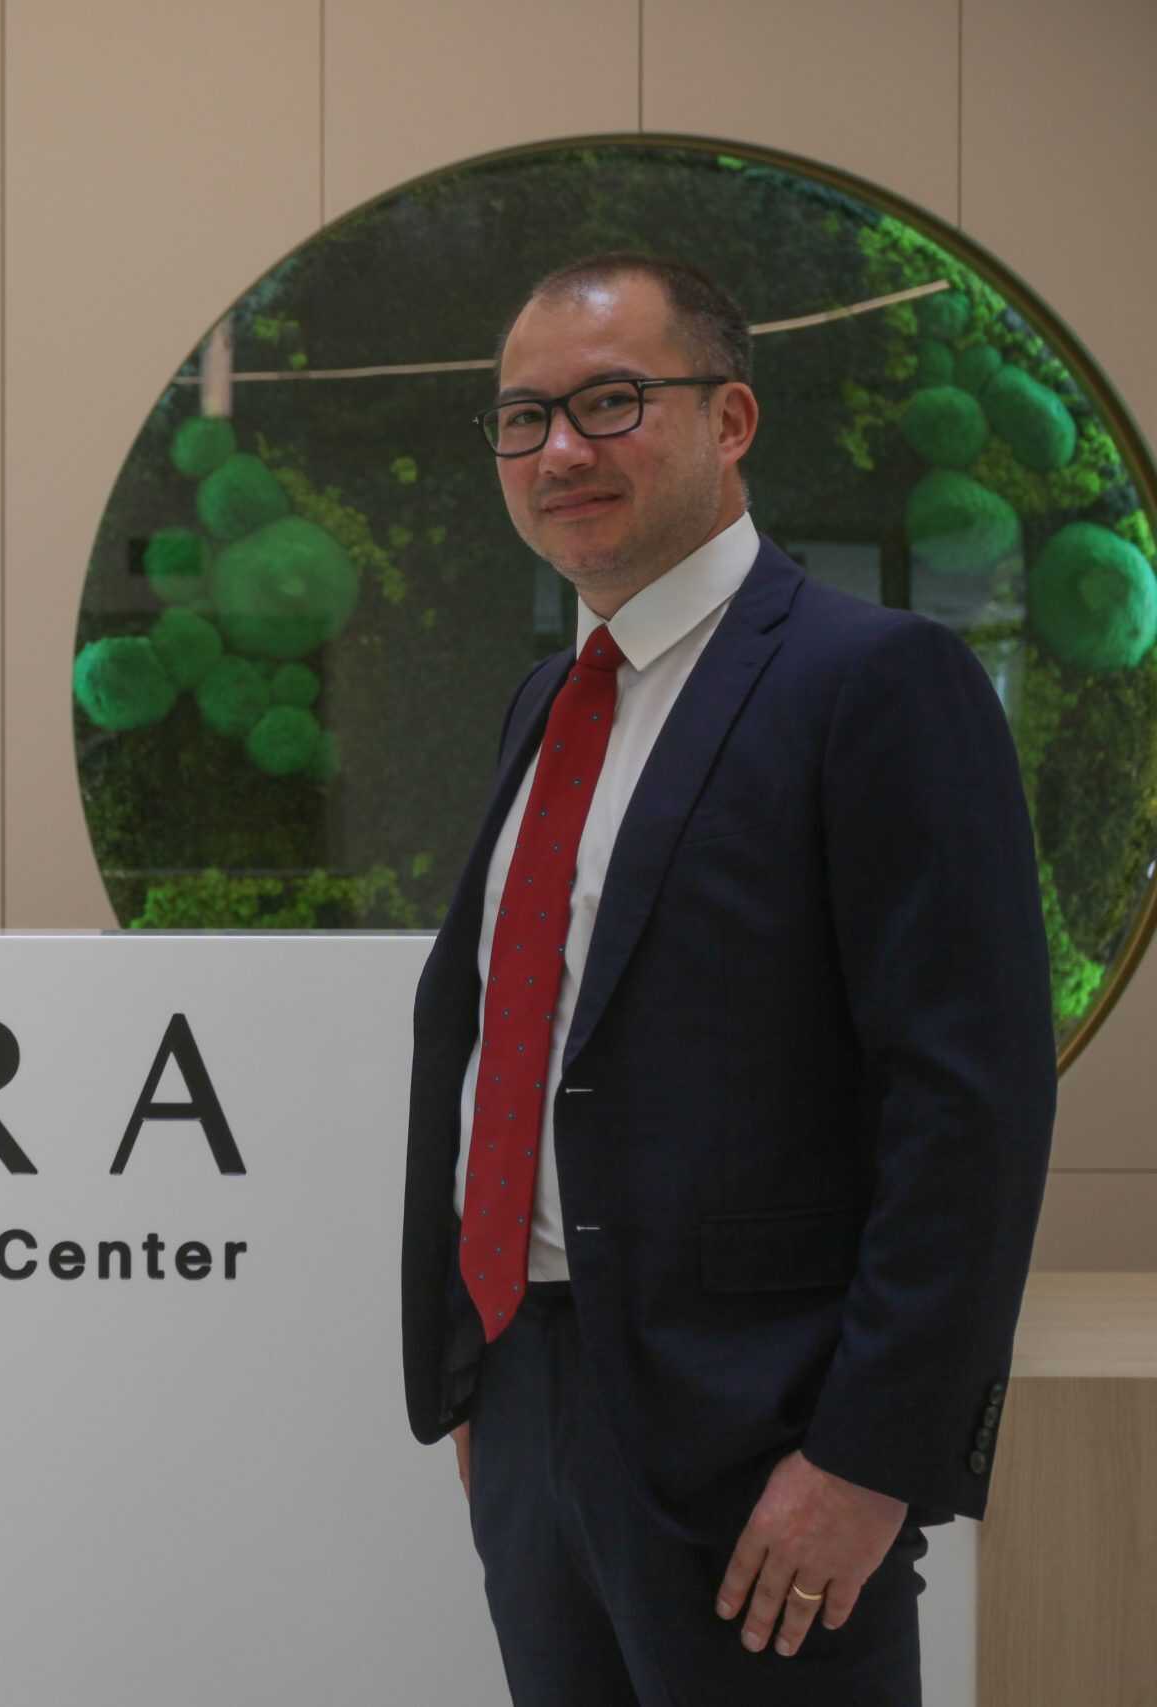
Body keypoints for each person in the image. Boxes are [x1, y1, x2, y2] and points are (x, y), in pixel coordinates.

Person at [397, 251, 1056, 1706]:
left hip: (767, 1441)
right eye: (523, 417)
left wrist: (872, 1457)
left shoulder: (875, 683)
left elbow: (969, 1110)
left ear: (734, 419)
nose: (559, 448)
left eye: (611, 400)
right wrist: (478, 1367)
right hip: (532, 1390)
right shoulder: (542, 702)